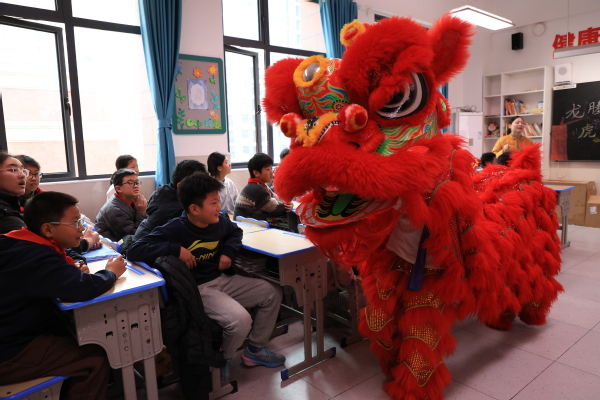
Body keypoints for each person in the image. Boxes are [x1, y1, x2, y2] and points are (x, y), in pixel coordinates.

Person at [127, 173, 285, 374]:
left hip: (222, 280)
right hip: (200, 289)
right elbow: (134, 250)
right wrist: (175, 249)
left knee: (272, 292)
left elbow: (235, 231)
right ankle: (222, 361)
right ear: (194, 209)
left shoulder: (219, 221)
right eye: (213, 203)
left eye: (218, 201)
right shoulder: (176, 228)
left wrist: (228, 251)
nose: (219, 207)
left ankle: (255, 349)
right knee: (241, 321)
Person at [0, 191, 127, 400]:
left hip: (12, 333)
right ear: (48, 229)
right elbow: (83, 287)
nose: (82, 228)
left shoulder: (19, 242)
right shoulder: (38, 257)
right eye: (75, 222)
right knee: (94, 358)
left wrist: (67, 272)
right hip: (10, 351)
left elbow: (55, 277)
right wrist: (111, 273)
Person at [133, 159, 207, 242]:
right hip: (147, 246)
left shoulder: (163, 191)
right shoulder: (178, 209)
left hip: (141, 239)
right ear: (180, 185)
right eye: (198, 185)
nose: (203, 189)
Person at [234, 153, 292, 221]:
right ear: (256, 173)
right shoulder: (256, 189)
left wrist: (285, 203)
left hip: (248, 224)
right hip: (247, 225)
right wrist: (287, 206)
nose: (272, 172)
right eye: (268, 169)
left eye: (271, 168)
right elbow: (275, 209)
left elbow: (276, 197)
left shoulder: (258, 185)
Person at [95, 169, 147, 242]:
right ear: (118, 189)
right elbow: (135, 236)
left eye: (137, 182)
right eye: (130, 183)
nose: (136, 186)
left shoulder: (134, 199)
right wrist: (141, 213)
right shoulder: (115, 210)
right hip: (115, 245)